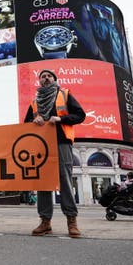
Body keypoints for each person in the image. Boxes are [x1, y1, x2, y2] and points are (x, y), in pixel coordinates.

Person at [24, 68, 86, 237]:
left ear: (54, 79)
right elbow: (25, 124)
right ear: (39, 81)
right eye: (42, 77)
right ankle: (45, 222)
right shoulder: (34, 102)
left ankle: (71, 221)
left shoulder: (65, 94)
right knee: (43, 183)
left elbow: (81, 115)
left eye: (49, 76)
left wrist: (60, 119)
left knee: (65, 181)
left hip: (61, 142)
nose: (46, 78)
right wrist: (32, 121)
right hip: (41, 147)